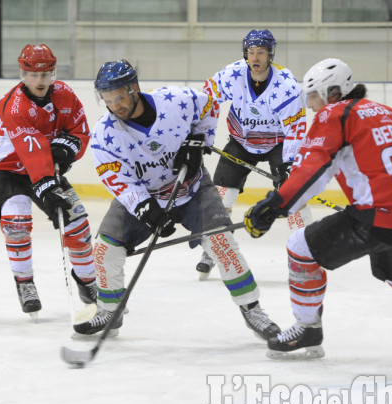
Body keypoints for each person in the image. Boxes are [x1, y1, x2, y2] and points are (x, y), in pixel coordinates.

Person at [244, 58, 392, 359]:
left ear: (334, 92)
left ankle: (307, 329)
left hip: (377, 216)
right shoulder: (390, 114)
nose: (311, 104)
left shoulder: (335, 114)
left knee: (300, 247)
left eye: (314, 95)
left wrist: (275, 206)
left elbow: (314, 170)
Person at [73, 60, 280, 340]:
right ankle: (111, 312)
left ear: (134, 88)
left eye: (119, 98)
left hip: (193, 189)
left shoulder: (176, 101)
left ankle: (252, 309)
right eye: (108, 101)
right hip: (144, 197)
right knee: (104, 250)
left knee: (222, 243)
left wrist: (199, 139)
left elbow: (209, 104)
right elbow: (117, 179)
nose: (115, 107)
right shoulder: (104, 135)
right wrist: (146, 209)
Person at [0, 44, 97, 319]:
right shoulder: (15, 107)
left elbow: (80, 128)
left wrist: (67, 149)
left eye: (46, 74)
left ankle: (88, 282)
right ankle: (25, 283)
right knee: (16, 221)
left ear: (53, 73)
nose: (40, 81)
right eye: (33, 75)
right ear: (23, 74)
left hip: (37, 164)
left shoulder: (65, 94)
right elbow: (31, 151)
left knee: (76, 221)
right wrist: (48, 188)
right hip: (0, 168)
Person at [197, 28, 312, 279]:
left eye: (261, 52)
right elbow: (208, 100)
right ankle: (212, 250)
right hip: (241, 141)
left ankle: (305, 255)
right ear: (245, 54)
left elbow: (296, 128)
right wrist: (203, 135)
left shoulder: (286, 85)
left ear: (270, 55)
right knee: (221, 195)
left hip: (278, 144)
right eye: (251, 52)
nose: (255, 57)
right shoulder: (232, 74)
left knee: (293, 194)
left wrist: (292, 162)